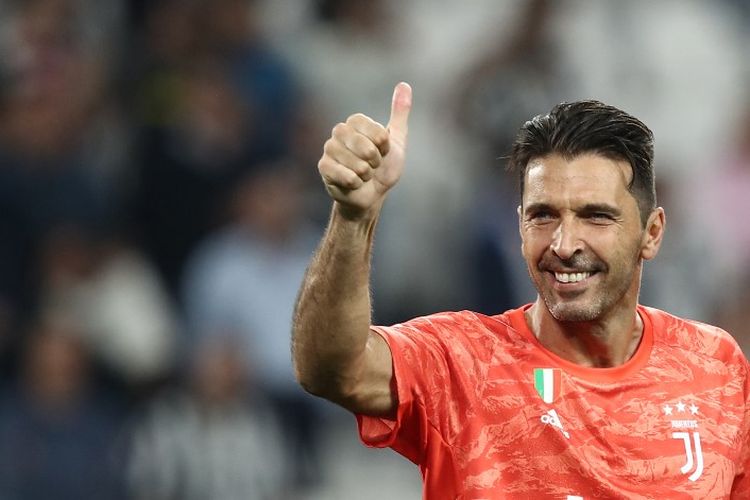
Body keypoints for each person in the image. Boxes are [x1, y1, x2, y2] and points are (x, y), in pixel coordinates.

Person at [291, 83, 750, 498]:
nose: (564, 245)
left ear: (651, 233)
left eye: (596, 216)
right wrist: (354, 218)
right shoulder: (463, 364)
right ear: (519, 224)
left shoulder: (715, 366)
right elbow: (331, 368)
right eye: (543, 215)